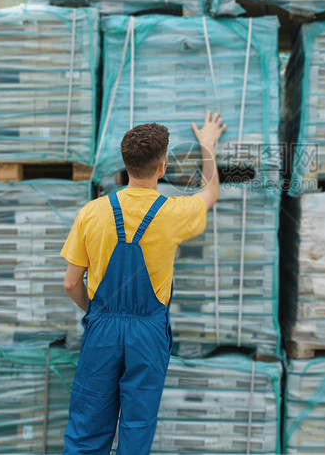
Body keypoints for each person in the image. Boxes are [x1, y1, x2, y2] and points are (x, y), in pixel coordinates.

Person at [60, 112, 226, 454]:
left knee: (86, 429)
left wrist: (97, 313)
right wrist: (207, 144)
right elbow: (210, 192)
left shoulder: (92, 212)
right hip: (147, 334)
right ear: (162, 167)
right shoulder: (174, 212)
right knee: (137, 429)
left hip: (101, 330)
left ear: (126, 164)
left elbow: (70, 283)